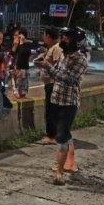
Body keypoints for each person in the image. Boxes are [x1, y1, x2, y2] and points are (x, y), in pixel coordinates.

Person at [35, 27, 87, 185]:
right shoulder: (64, 56)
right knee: (63, 133)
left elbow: (68, 79)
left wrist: (48, 67)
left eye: (66, 38)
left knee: (62, 135)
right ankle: (69, 163)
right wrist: (42, 64)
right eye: (62, 37)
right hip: (56, 99)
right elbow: (55, 73)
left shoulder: (80, 60)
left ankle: (59, 172)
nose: (62, 40)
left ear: (75, 41)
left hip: (69, 102)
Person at [38, 27, 63, 144]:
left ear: (49, 36)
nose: (43, 38)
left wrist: (45, 64)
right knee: (51, 110)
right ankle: (54, 134)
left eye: (44, 35)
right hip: (49, 83)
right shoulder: (51, 48)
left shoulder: (56, 48)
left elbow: (58, 66)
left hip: (52, 83)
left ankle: (51, 136)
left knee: (51, 110)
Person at [11, 28, 31, 98]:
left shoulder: (27, 44)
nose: (15, 37)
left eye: (18, 35)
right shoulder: (17, 44)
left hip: (23, 69)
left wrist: (22, 43)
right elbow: (12, 54)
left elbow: (23, 53)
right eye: (15, 35)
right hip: (16, 69)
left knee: (22, 93)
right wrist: (15, 45)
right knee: (16, 93)